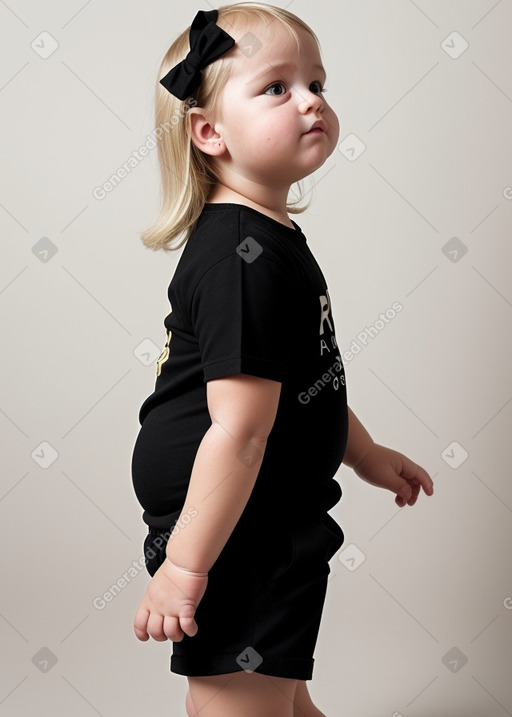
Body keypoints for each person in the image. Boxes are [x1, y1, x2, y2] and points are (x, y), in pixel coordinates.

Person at [131, 4, 434, 716]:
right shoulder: (245, 258)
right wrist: (184, 565)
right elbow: (239, 430)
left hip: (264, 522)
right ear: (208, 132)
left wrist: (364, 453)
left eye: (318, 83)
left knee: (276, 698)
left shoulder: (270, 240)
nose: (313, 101)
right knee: (239, 702)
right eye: (277, 87)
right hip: (235, 534)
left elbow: (305, 383)